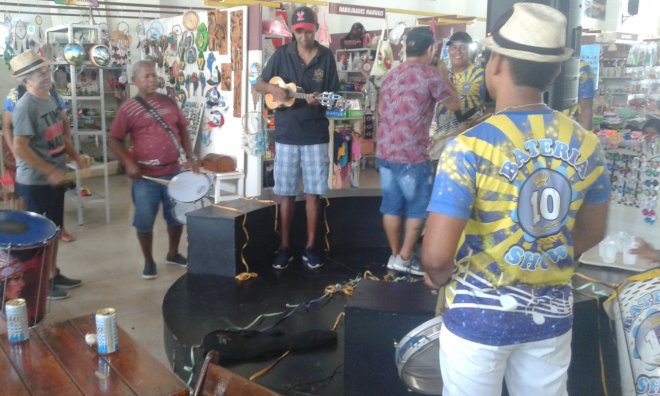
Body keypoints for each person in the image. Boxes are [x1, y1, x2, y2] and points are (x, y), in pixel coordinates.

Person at [422, 4, 611, 395]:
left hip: (477, 319)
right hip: (552, 318)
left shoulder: (468, 148)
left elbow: (437, 257)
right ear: (556, 71)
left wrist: (437, 277)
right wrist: (547, 259)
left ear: (495, 64)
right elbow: (594, 230)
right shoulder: (588, 145)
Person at [254, 6, 339, 270]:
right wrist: (273, 90)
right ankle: (285, 247)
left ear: (316, 28)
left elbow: (334, 97)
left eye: (308, 30)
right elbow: (257, 83)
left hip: (315, 135)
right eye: (299, 31)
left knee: (313, 193)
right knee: (286, 194)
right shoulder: (281, 55)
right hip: (286, 135)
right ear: (293, 30)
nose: (304, 36)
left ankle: (312, 247)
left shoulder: (326, 58)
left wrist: (319, 102)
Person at [376, 27, 458, 276]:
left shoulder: (390, 75)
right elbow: (455, 104)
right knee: (419, 208)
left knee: (391, 205)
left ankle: (394, 256)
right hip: (412, 155)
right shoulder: (431, 76)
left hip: (385, 152)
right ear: (430, 49)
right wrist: (443, 74)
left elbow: (381, 110)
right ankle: (405, 256)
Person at [10, 50, 86, 300]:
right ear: (26, 81)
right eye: (38, 73)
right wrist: (49, 170)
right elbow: (20, 147)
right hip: (35, 183)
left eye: (45, 70)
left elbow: (60, 134)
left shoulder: (50, 97)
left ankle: (53, 273)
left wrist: (75, 156)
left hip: (54, 177)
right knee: (39, 236)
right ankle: (40, 283)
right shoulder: (25, 106)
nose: (45, 75)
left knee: (54, 230)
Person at [109, 60, 196, 279]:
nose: (152, 80)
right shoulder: (128, 108)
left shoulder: (169, 101)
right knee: (144, 220)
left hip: (174, 172)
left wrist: (191, 156)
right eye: (146, 76)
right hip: (145, 177)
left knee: (176, 217)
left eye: (153, 75)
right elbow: (114, 140)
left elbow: (183, 130)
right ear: (135, 81)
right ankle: (148, 261)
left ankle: (173, 253)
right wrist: (128, 163)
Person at [2, 84, 76, 242]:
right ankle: (26, 236)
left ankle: (57, 230)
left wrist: (66, 148)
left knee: (56, 198)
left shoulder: (53, 94)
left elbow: (63, 122)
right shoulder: (16, 95)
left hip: (53, 157)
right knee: (25, 198)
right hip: (27, 160)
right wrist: (15, 152)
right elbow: (7, 126)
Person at [430, 31, 485, 158]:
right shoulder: (441, 74)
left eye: (463, 47)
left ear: (470, 50)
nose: (457, 52)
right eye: (453, 47)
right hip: (439, 140)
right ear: (448, 51)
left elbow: (492, 107)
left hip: (468, 141)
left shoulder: (481, 75)